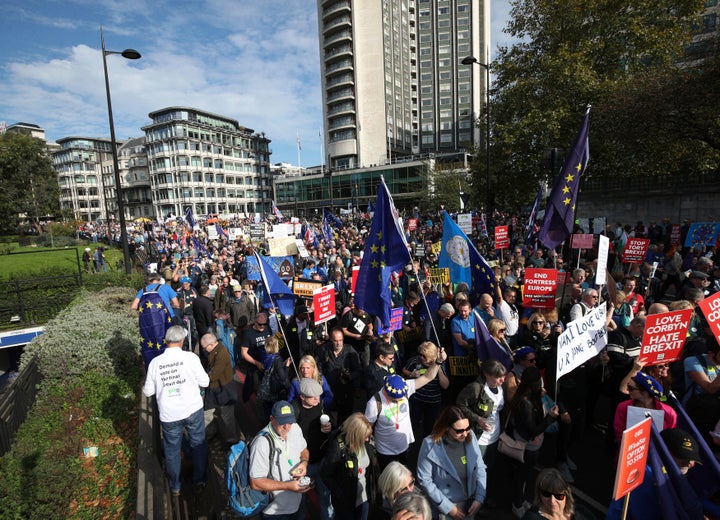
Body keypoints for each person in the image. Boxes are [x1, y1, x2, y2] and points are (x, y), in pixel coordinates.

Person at [142, 325, 209, 495]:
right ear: (182, 341)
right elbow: (205, 382)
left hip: (169, 414)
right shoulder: (191, 358)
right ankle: (199, 479)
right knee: (198, 444)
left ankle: (176, 486)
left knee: (172, 451)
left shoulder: (156, 363)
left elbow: (148, 391)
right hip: (193, 409)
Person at [365, 343, 448, 470]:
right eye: (396, 399)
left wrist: (438, 362)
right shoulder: (374, 403)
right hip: (385, 452)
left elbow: (428, 377)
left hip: (404, 448)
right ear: (386, 392)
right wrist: (371, 453)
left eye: (402, 397)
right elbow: (367, 429)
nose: (401, 401)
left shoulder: (405, 387)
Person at [505, 366, 559, 518]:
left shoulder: (531, 396)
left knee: (525, 475)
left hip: (531, 445)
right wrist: (550, 418)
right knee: (521, 476)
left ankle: (521, 500)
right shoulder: (526, 402)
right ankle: (517, 504)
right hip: (526, 446)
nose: (541, 385)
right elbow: (533, 430)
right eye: (538, 383)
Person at [416, 406, 487, 520]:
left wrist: (479, 497)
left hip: (470, 504)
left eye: (467, 428)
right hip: (446, 507)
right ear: (447, 428)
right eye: (459, 431)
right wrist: (448, 507)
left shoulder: (470, 436)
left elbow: (480, 468)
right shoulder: (430, 444)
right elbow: (424, 479)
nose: (465, 433)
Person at [249, 400, 312, 519]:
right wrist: (288, 486)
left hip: (298, 502)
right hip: (275, 511)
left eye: (290, 422)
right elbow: (256, 482)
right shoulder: (261, 443)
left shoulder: (295, 428)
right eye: (282, 422)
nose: (286, 427)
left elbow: (304, 450)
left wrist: (304, 463)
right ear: (272, 419)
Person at [321, 412, 379, 520]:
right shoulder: (337, 448)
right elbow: (325, 474)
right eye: (365, 436)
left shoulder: (368, 443)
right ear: (355, 435)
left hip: (364, 498)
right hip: (345, 503)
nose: (367, 439)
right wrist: (339, 493)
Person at [292, 378, 335, 520]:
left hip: (321, 460)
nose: (317, 399)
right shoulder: (294, 411)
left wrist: (330, 427)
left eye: (319, 395)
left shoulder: (320, 404)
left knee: (325, 495)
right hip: (303, 464)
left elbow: (329, 423)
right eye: (313, 396)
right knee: (300, 498)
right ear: (302, 397)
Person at [613, 372, 677, 444]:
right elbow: (619, 434)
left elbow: (670, 436)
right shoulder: (623, 407)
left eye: (631, 388)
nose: (627, 390)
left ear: (645, 392)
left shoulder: (669, 412)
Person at [403, 341, 450, 438]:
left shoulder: (439, 364)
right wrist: (411, 374)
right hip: (417, 399)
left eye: (424, 356)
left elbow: (445, 385)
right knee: (413, 422)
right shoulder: (415, 361)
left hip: (433, 402)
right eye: (420, 354)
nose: (421, 357)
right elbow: (404, 370)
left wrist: (439, 368)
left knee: (430, 426)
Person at [201, 332, 238, 446]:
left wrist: (201, 380)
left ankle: (231, 441)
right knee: (209, 412)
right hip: (216, 388)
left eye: (204, 347)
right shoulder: (215, 351)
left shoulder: (222, 354)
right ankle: (210, 434)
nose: (203, 350)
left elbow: (214, 374)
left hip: (224, 390)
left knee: (226, 417)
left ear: (212, 344)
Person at [237, 311, 272, 402]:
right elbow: (244, 353)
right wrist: (257, 363)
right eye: (260, 324)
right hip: (254, 365)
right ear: (255, 322)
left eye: (264, 324)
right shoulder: (248, 333)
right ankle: (246, 400)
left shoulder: (268, 329)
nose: (262, 327)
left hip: (266, 364)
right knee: (251, 384)